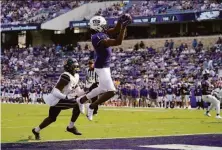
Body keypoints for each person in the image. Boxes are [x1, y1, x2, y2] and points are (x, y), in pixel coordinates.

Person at [76, 14, 132, 121]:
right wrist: (124, 27)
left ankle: (81, 100)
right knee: (111, 91)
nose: (105, 26)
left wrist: (120, 21)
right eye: (103, 25)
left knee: (101, 88)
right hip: (101, 66)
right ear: (98, 26)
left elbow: (115, 30)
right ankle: (92, 106)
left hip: (104, 65)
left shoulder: (100, 33)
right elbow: (117, 42)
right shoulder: (97, 37)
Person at [32, 58, 85, 140]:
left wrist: (86, 91)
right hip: (57, 99)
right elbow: (55, 91)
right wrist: (66, 97)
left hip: (60, 99)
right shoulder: (66, 76)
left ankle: (36, 130)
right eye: (74, 66)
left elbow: (77, 88)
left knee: (51, 118)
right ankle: (70, 127)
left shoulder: (76, 76)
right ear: (69, 67)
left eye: (76, 66)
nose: (76, 67)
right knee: (77, 104)